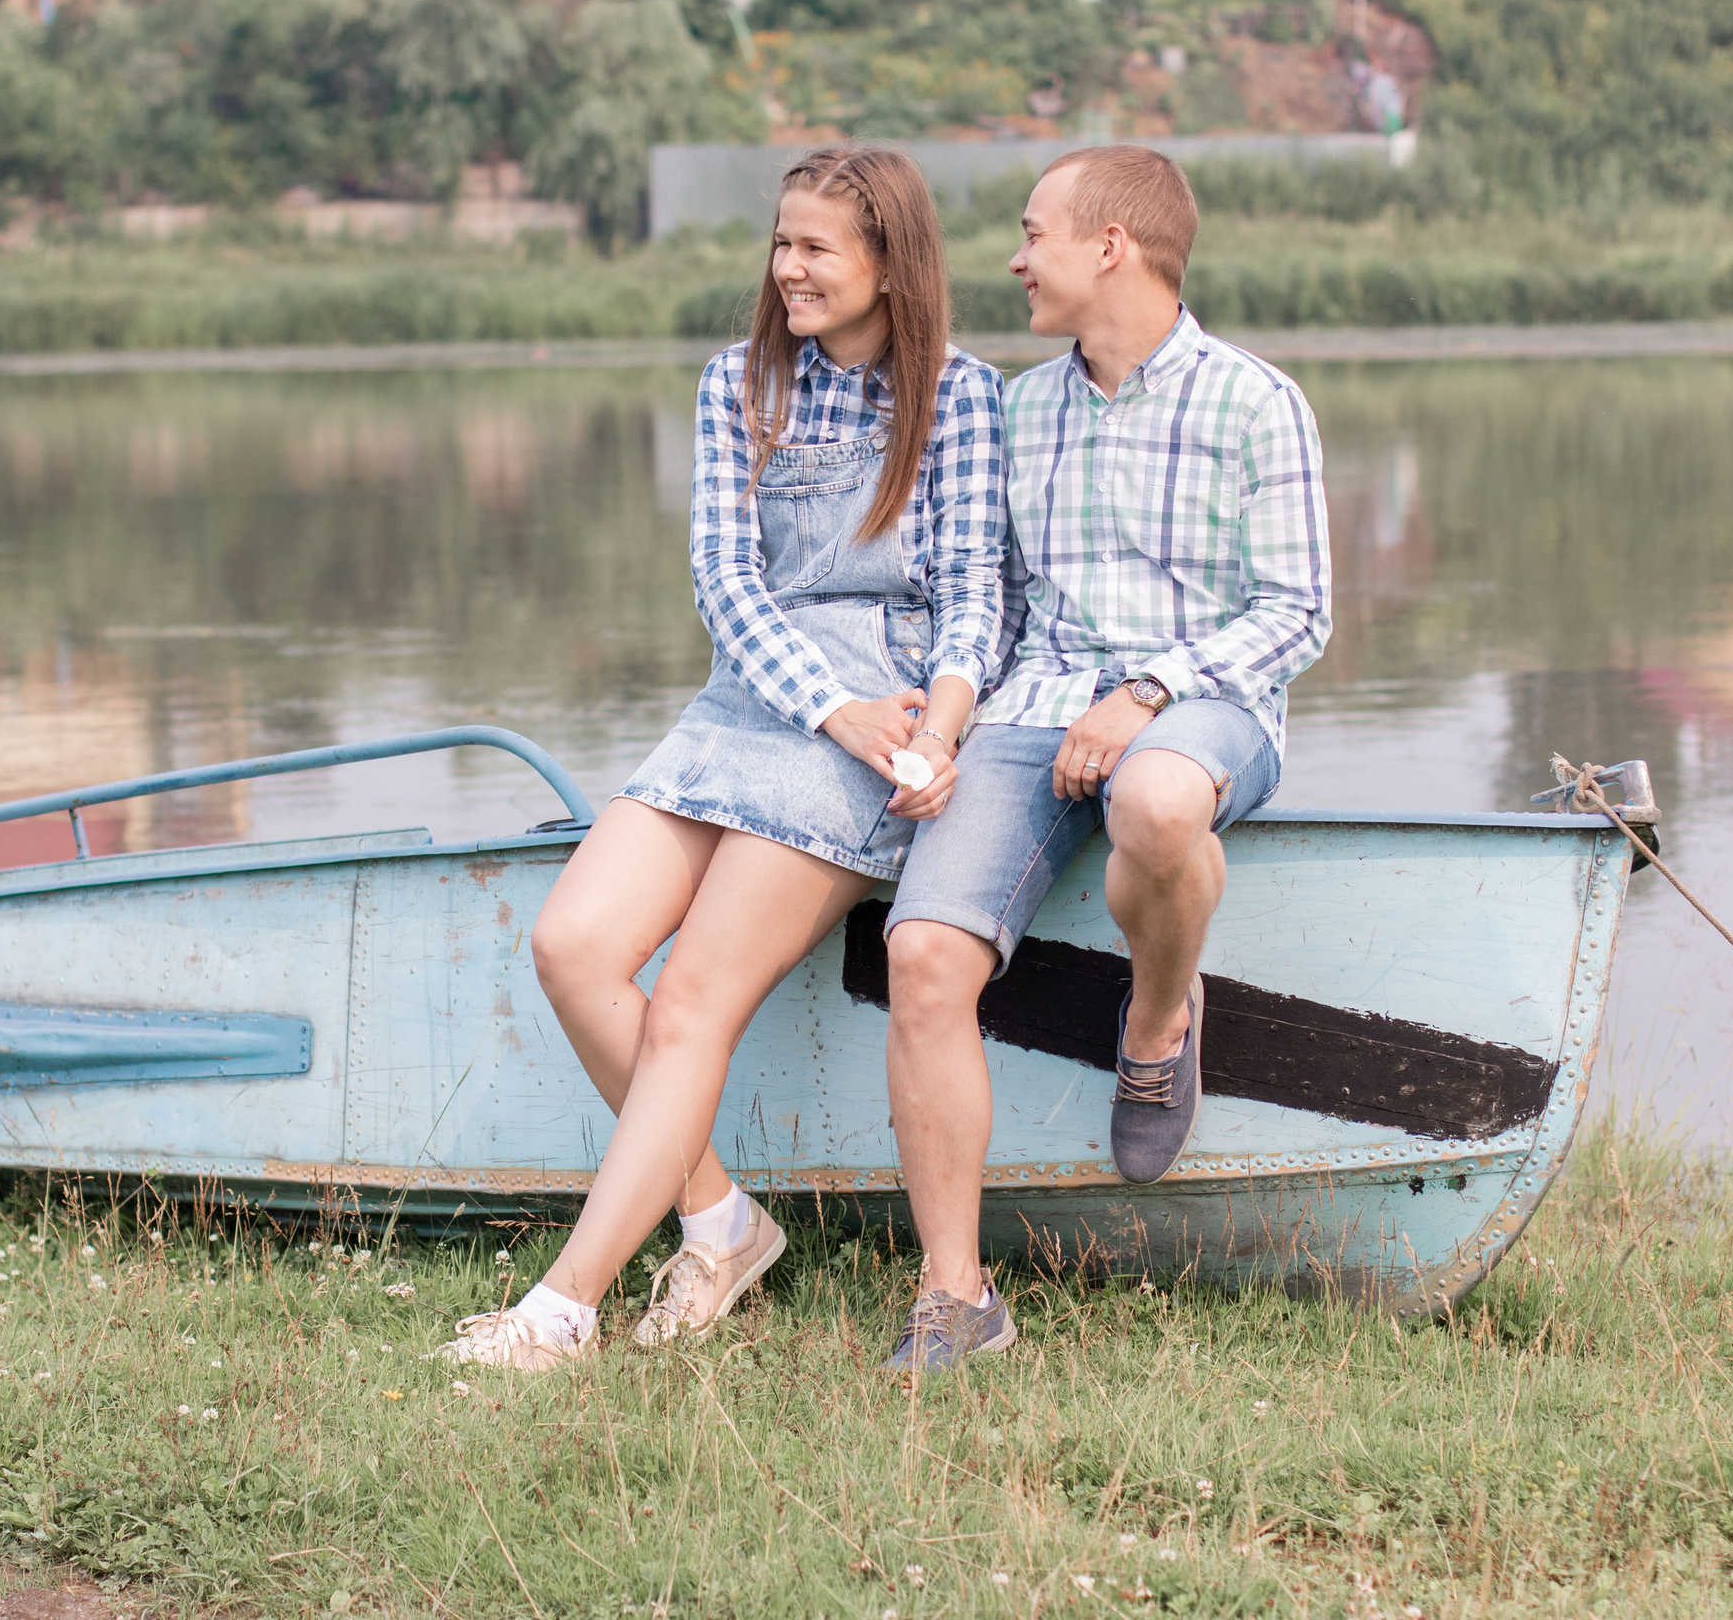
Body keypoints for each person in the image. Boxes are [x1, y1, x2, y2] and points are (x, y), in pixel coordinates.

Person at [434, 145, 1008, 1372]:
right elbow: (726, 583)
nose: (787, 268)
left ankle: (561, 1312)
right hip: (758, 703)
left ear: (889, 267)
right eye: (781, 243)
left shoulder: (961, 395)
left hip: (886, 725)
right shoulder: (736, 385)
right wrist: (829, 709)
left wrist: (932, 730)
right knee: (572, 944)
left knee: (693, 998)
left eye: (816, 248)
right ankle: (719, 1221)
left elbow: (973, 594)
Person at [877, 145, 1332, 1372]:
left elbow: (1297, 612)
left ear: (1110, 247)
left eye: (1034, 234)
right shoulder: (1012, 410)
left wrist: (1146, 694)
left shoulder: (1253, 401)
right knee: (920, 956)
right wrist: (934, 717)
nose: (1015, 260)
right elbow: (990, 599)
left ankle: (1155, 1021)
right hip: (1033, 708)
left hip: (1203, 704)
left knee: (1159, 795)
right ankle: (957, 1301)